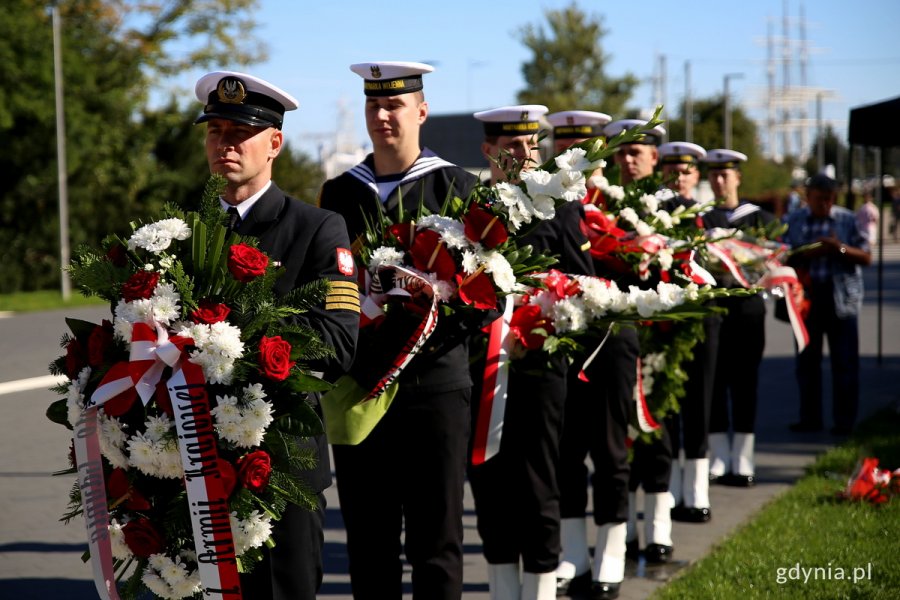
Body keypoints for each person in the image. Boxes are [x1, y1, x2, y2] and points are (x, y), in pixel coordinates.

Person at [194, 70, 360, 600]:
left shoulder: (317, 228)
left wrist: (229, 336)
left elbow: (337, 342)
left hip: (283, 463)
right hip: (196, 464)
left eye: (240, 133)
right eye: (216, 131)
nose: (226, 144)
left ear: (274, 144)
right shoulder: (184, 233)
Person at [317, 61, 479, 600]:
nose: (383, 116)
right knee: (370, 542)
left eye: (395, 105)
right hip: (362, 386)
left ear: (422, 111)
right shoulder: (340, 193)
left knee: (437, 544)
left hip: (435, 386)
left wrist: (413, 342)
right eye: (373, 105)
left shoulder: (457, 186)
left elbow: (485, 297)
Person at [468, 104, 583, 600]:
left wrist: (537, 325)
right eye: (514, 146)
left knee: (538, 479)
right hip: (483, 364)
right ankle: (501, 589)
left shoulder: (558, 206)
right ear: (489, 151)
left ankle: (539, 586)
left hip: (539, 365)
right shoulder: (468, 206)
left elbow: (581, 283)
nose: (527, 155)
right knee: (488, 482)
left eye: (533, 145)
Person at [546, 110, 636, 600]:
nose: (575, 158)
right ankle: (575, 552)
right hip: (564, 336)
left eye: (584, 149)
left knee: (609, 446)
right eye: (566, 149)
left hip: (613, 338)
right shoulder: (549, 201)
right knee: (567, 449)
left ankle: (613, 547)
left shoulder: (623, 207)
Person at [604, 118, 677, 565]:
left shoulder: (669, 207)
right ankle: (627, 525)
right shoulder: (605, 203)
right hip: (618, 333)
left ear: (654, 157)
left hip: (661, 334)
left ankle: (660, 527)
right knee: (619, 433)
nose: (629, 160)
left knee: (658, 429)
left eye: (638, 152)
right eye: (624, 153)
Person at [701, 149, 774, 487]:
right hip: (714, 309)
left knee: (745, 383)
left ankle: (743, 458)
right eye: (714, 175)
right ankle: (718, 457)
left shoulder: (759, 218)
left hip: (747, 310)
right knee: (713, 382)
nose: (719, 180)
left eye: (725, 175)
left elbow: (775, 256)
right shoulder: (701, 217)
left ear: (737, 178)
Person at [656, 142, 720, 521]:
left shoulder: (709, 218)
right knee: (669, 405)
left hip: (704, 317)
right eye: (672, 171)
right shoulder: (654, 213)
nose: (679, 178)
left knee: (700, 401)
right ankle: (672, 490)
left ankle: (696, 493)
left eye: (686, 172)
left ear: (697, 176)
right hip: (667, 315)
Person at [782, 173, 871, 435]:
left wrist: (838, 248)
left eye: (829, 199)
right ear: (807, 197)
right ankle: (810, 417)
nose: (824, 205)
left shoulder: (845, 219)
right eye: (819, 199)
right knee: (807, 362)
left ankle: (844, 421)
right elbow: (783, 254)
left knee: (844, 362)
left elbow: (865, 256)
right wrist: (811, 251)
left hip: (840, 297)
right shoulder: (794, 220)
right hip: (807, 298)